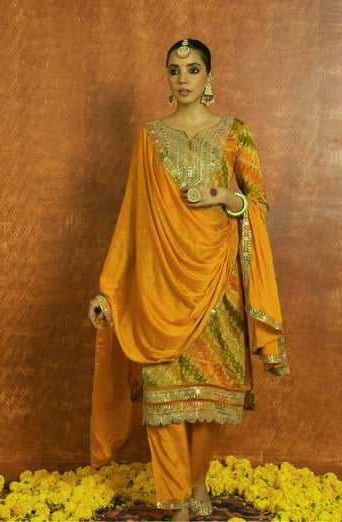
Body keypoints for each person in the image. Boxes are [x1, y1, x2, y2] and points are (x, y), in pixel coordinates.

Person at [88, 38, 289, 521]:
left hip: (218, 280)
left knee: (208, 392)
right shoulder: (149, 136)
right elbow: (132, 216)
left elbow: (258, 204)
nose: (183, 78)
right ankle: (177, 500)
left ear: (209, 78)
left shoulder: (235, 133)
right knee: (164, 396)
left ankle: (196, 481)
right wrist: (109, 289)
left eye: (193, 69)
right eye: (174, 69)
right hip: (159, 285)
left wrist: (223, 196)